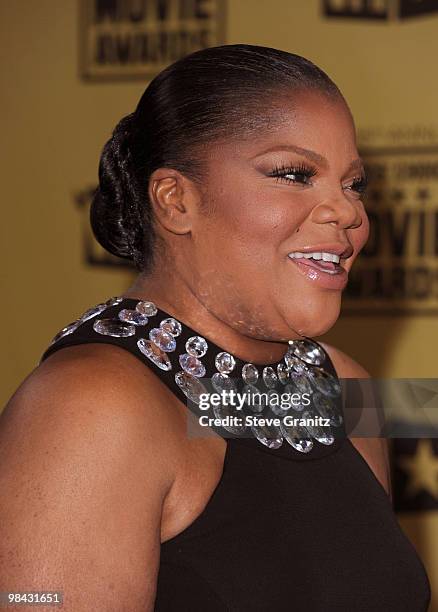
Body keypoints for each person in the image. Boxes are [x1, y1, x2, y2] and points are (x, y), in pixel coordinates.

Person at [0, 44, 431, 611]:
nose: (348, 213)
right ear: (176, 200)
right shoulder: (91, 406)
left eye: (354, 185)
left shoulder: (344, 386)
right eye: (294, 174)